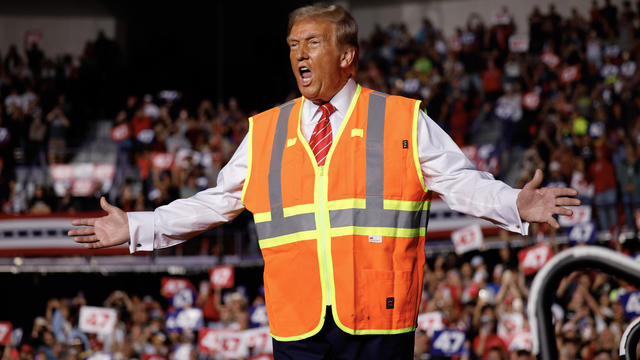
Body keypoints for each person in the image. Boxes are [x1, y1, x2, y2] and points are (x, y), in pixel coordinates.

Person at [68, 4, 579, 359]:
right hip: (297, 326)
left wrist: (515, 202)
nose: (300, 55)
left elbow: (462, 183)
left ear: (347, 55)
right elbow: (216, 202)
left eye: (313, 43)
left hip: (378, 320)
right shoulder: (265, 130)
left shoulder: (400, 119)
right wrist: (137, 226)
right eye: (293, 45)